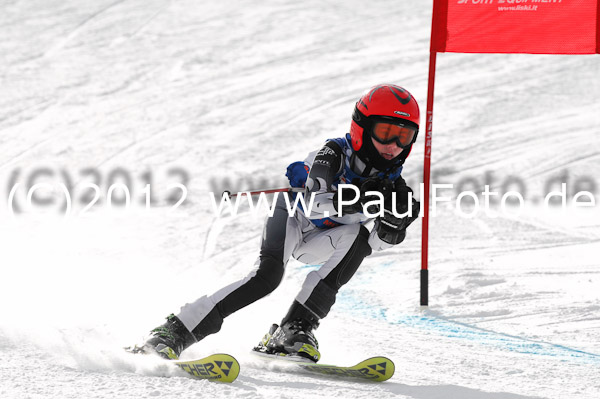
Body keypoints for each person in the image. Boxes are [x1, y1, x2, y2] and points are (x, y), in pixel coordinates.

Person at [136, 84, 421, 362]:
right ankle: (175, 331)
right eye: (385, 133)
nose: (393, 146)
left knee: (358, 238)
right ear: (362, 127)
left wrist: (394, 225)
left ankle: (294, 329)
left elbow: (374, 245)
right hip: (292, 218)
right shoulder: (334, 153)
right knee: (266, 278)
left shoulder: (394, 185)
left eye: (403, 137)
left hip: (324, 240)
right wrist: (362, 199)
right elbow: (313, 204)